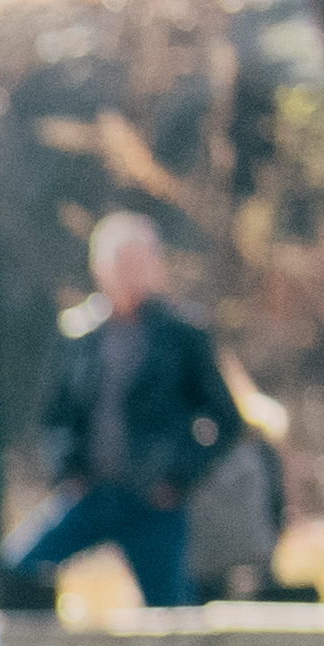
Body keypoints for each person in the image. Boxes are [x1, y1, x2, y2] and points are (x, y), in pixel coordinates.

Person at [16, 209, 240, 616]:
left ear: (156, 267)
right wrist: (68, 468)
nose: (128, 274)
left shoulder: (181, 335)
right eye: (119, 263)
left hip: (153, 500)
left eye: (138, 263)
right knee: (19, 568)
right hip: (92, 493)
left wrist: (178, 476)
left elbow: (225, 420)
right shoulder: (79, 333)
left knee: (172, 617)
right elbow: (54, 417)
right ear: (99, 268)